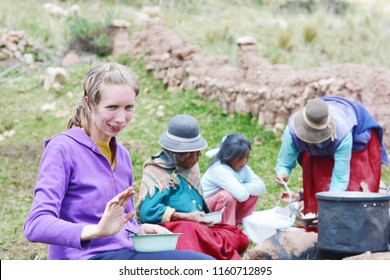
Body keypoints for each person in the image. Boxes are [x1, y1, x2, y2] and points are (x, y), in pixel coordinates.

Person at [24, 62, 213, 260]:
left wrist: (139, 229)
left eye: (129, 107)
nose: (121, 118)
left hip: (125, 253)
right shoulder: (62, 149)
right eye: (112, 107)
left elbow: (123, 220)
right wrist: (96, 230)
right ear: (89, 104)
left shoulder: (122, 154)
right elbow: (36, 225)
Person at [136, 115, 249, 260]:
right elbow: (147, 212)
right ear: (182, 155)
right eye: (195, 152)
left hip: (197, 225)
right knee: (191, 232)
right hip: (176, 229)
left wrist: (200, 217)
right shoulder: (158, 171)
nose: (199, 154)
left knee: (236, 234)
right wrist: (186, 217)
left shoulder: (190, 167)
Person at [275, 96, 388, 214]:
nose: (311, 141)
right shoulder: (292, 130)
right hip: (330, 142)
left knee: (352, 194)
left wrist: (330, 207)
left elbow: (340, 178)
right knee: (318, 182)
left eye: (316, 137)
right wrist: (283, 173)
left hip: (357, 140)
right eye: (308, 136)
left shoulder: (342, 135)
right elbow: (284, 162)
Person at [200, 134, 266, 225]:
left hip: (229, 206)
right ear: (229, 156)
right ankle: (225, 228)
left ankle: (240, 223)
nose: (244, 161)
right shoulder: (219, 169)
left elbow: (261, 187)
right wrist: (239, 189)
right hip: (206, 210)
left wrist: (240, 187)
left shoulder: (243, 167)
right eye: (240, 158)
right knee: (226, 196)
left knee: (253, 194)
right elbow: (241, 195)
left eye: (247, 157)